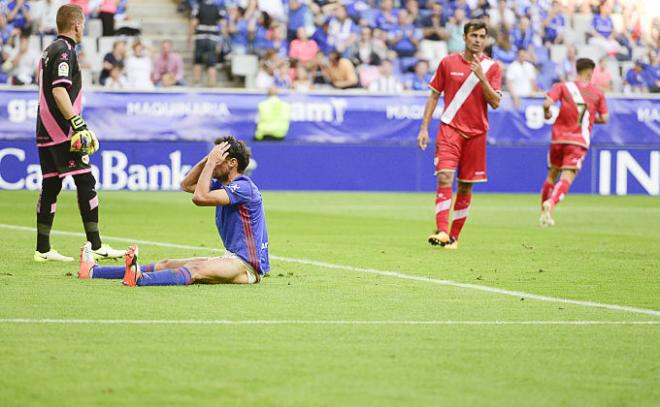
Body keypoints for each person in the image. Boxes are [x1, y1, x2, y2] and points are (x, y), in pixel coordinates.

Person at [78, 137, 270, 286]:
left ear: (232, 162)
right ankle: (94, 271)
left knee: (195, 269)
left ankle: (140, 278)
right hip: (231, 258)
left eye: (219, 158)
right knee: (167, 263)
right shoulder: (221, 185)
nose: (214, 160)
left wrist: (211, 163)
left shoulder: (245, 187)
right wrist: (207, 160)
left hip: (247, 266)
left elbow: (199, 198)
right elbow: (186, 185)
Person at [34, 4, 124, 262]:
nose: (83, 28)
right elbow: (59, 90)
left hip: (44, 128)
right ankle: (95, 244)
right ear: (76, 24)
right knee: (85, 181)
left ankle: (42, 249)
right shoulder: (65, 51)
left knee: (51, 184)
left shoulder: (48, 50)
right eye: (82, 24)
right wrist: (77, 123)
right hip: (62, 131)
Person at [416, 20, 502, 250]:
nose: (477, 40)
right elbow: (434, 95)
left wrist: (482, 77)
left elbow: (495, 103)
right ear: (464, 37)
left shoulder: (493, 68)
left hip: (476, 134)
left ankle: (453, 237)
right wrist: (424, 128)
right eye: (473, 35)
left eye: (482, 36)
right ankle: (442, 230)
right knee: (444, 177)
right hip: (450, 129)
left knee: (465, 187)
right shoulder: (448, 62)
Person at [539, 58, 608, 227]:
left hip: (558, 138)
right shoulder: (597, 93)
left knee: (552, 174)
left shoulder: (563, 86)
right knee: (567, 176)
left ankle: (543, 213)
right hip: (578, 141)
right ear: (590, 72)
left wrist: (547, 112)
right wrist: (590, 119)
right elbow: (605, 118)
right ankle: (551, 203)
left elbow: (547, 103)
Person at [189, 0, 221, 86]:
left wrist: (189, 37)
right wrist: (221, 39)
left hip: (201, 36)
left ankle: (197, 83)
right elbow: (222, 23)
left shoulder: (198, 6)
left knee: (198, 60)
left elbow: (194, 22)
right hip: (213, 37)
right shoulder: (217, 7)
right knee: (212, 61)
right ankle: (212, 84)